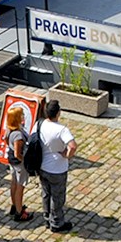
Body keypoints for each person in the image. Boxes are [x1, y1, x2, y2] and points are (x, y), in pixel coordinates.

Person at [38, 100, 76, 233]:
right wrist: (67, 156)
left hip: (42, 166)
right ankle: (57, 223)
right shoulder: (62, 130)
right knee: (57, 197)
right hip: (57, 169)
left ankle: (47, 218)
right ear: (58, 113)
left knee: (46, 194)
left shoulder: (40, 124)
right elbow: (72, 146)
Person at [4, 104, 32, 223]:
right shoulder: (18, 135)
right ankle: (19, 212)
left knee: (14, 182)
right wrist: (23, 161)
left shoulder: (9, 129)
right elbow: (17, 153)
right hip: (19, 164)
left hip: (12, 162)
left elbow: (6, 140)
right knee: (20, 186)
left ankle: (15, 205)